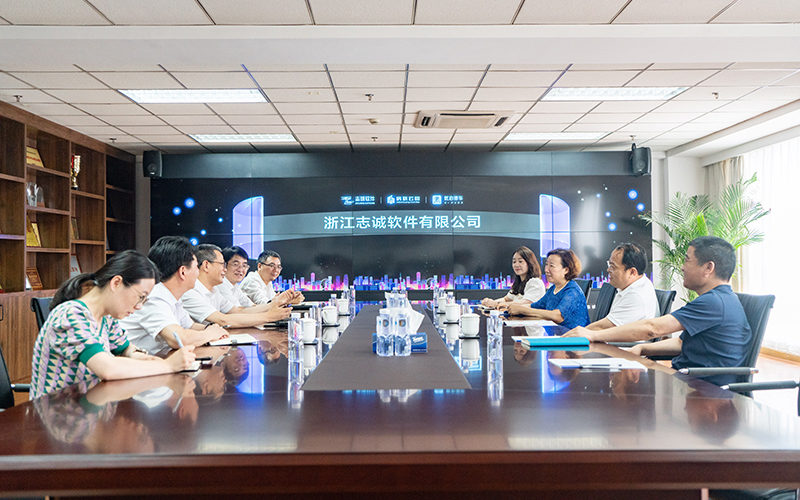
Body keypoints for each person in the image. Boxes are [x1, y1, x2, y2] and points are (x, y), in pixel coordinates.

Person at [564, 236, 751, 386]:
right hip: (688, 379)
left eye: (687, 260)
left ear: (708, 267)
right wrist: (643, 348)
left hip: (704, 389)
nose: (682, 267)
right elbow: (681, 343)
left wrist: (593, 335)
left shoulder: (714, 302)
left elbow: (652, 329)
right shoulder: (717, 299)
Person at [30, 250, 197, 399]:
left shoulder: (106, 318)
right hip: (60, 414)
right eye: (141, 297)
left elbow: (126, 350)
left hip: (92, 406)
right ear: (116, 283)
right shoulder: (71, 314)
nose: (139, 306)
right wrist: (167, 365)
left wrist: (144, 357)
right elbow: (108, 369)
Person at [120, 236, 228, 354]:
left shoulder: (172, 295)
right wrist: (210, 334)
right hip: (139, 362)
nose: (198, 272)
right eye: (196, 267)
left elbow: (189, 326)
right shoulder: (154, 296)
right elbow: (178, 339)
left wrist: (212, 329)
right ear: (183, 272)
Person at [181, 244, 292, 327]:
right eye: (222, 264)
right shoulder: (191, 292)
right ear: (206, 265)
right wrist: (269, 316)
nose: (224, 269)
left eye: (244, 265)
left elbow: (239, 310)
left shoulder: (214, 290)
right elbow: (223, 320)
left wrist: (275, 304)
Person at [506, 248, 590, 329]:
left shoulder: (572, 291)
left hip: (572, 337)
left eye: (552, 266)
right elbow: (536, 306)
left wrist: (523, 310)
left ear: (566, 270)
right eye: (546, 265)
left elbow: (558, 316)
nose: (546, 270)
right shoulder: (553, 288)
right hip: (557, 334)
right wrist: (514, 307)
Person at [586, 243, 659, 330]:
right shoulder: (638, 283)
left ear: (632, 272)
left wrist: (576, 334)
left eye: (613, 267)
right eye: (609, 265)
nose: (608, 270)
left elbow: (602, 328)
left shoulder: (636, 296)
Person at [481, 246, 545, 308]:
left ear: (529, 263)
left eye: (520, 261)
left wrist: (497, 304)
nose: (516, 265)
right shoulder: (518, 283)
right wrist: (490, 302)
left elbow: (526, 303)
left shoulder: (535, 282)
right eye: (514, 262)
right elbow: (506, 299)